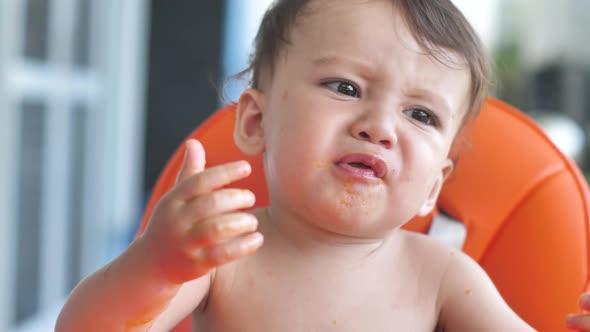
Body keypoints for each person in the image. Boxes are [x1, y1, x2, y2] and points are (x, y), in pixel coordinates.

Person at [56, 0, 589, 331]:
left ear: (434, 186)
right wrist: (156, 265)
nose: (379, 125)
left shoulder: (443, 278)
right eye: (345, 87)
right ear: (256, 123)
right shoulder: (224, 259)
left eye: (421, 114)